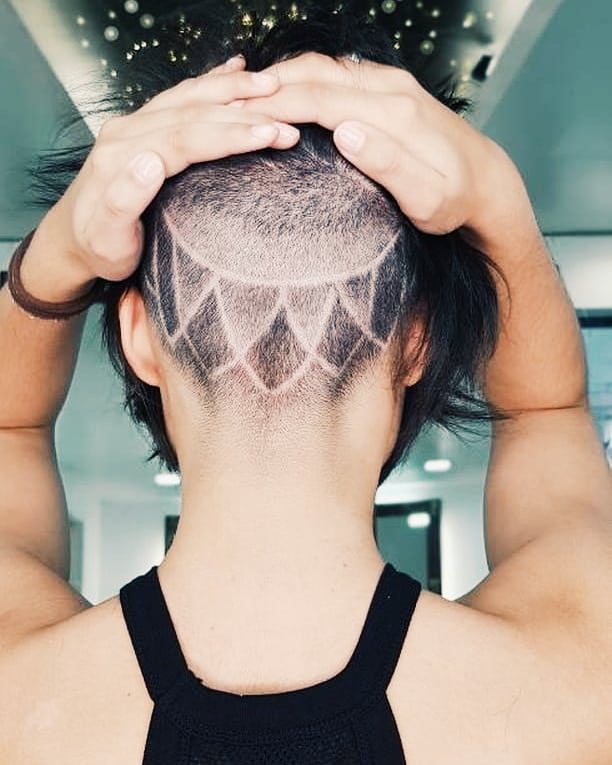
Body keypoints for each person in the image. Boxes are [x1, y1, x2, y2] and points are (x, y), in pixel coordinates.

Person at [0, 10, 611, 765]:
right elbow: (547, 409)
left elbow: (8, 427)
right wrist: (496, 195)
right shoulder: (573, 697)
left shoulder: (22, 710)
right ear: (416, 340)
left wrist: (63, 247)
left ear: (139, 336)